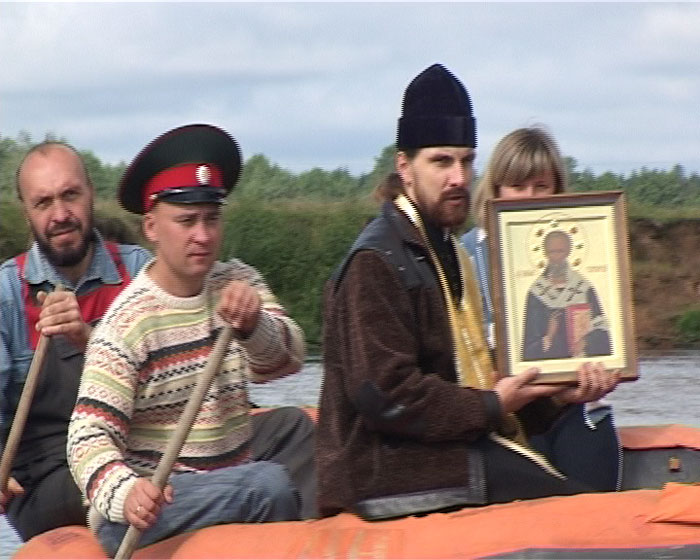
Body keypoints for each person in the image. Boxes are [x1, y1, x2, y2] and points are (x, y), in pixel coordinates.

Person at [316, 64, 619, 520]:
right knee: (575, 513)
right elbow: (388, 396)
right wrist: (494, 404)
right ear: (405, 168)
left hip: (444, 451)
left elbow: (473, 380)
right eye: (441, 162)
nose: (458, 177)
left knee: (580, 498)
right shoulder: (375, 262)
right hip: (383, 471)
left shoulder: (451, 252)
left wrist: (559, 396)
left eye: (466, 161)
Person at [67, 124, 314, 556]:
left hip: (226, 481)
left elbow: (289, 360)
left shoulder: (239, 281)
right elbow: (87, 435)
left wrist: (254, 325)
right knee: (268, 484)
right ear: (151, 227)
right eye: (186, 221)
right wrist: (126, 492)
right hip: (151, 509)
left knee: (303, 437)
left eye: (211, 219)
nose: (203, 235)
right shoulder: (128, 322)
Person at [0, 142, 151, 540]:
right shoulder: (6, 294)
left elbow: (173, 378)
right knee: (141, 488)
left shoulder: (140, 272)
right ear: (26, 213)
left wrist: (90, 341)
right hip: (47, 477)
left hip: (140, 450)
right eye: (43, 203)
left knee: (287, 429)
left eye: (70, 195)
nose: (60, 215)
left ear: (91, 194)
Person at [461, 126, 619, 491]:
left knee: (596, 497)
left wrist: (601, 366)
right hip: (501, 422)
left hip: (571, 409)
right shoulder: (464, 258)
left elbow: (602, 332)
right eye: (517, 186)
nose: (529, 198)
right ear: (496, 189)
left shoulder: (588, 270)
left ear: (558, 191)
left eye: (541, 186)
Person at [522, 229, 612, 361]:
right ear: (545, 253)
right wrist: (549, 336)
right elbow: (529, 345)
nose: (556, 257)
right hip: (549, 363)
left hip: (580, 362)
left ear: (569, 251)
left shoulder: (583, 287)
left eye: (560, 251)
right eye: (552, 252)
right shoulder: (536, 292)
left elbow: (602, 329)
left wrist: (587, 341)